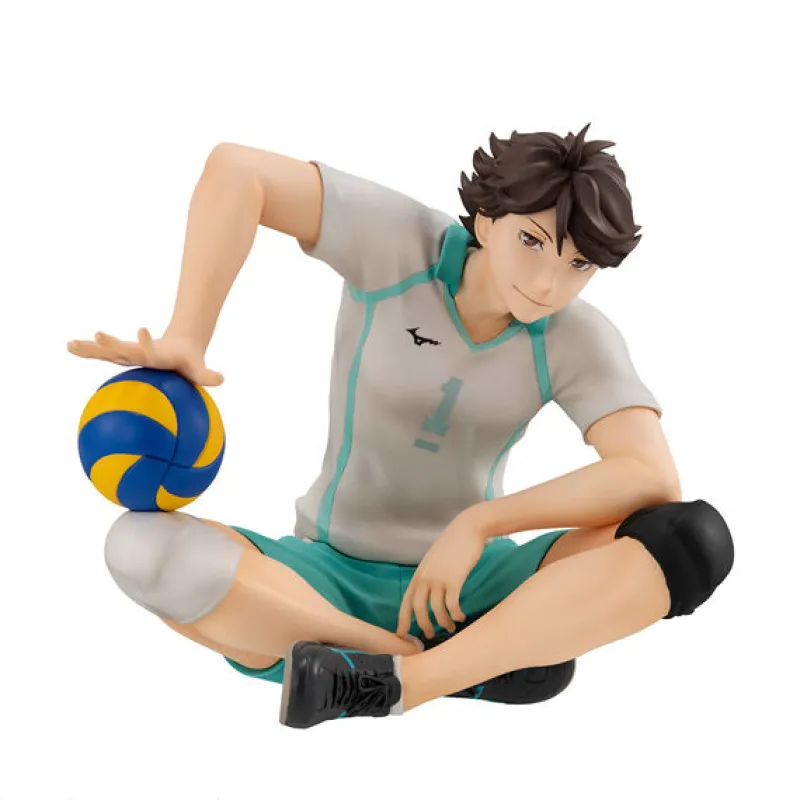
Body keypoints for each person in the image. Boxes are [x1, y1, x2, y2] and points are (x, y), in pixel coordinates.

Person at [68, 124, 734, 729]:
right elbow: (238, 170)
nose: (548, 283)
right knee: (140, 547)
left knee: (691, 540)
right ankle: (430, 659)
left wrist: (478, 525)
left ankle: (398, 683)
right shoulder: (398, 244)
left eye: (578, 264)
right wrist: (188, 336)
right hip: (319, 584)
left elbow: (649, 477)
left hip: (474, 589)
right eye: (532, 242)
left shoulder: (576, 337)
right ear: (487, 219)